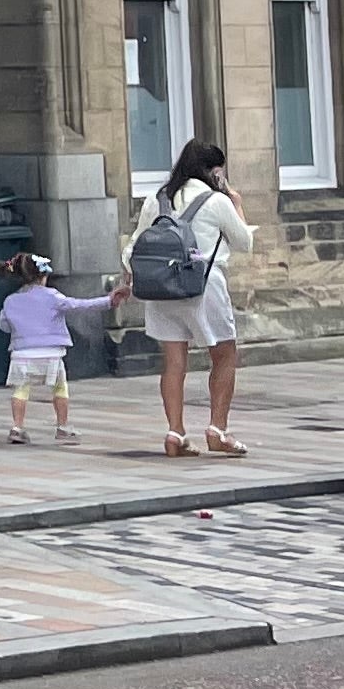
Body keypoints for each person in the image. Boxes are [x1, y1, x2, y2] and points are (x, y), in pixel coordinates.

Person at [113, 137, 255, 459]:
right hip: (203, 286)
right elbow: (244, 242)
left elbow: (133, 248)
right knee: (224, 356)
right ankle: (217, 430)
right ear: (214, 171)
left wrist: (128, 281)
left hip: (161, 288)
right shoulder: (216, 202)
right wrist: (236, 201)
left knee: (174, 362)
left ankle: (175, 432)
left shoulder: (157, 199)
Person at [0, 251, 78, 447]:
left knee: (21, 390)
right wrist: (109, 300)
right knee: (60, 387)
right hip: (52, 354)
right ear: (43, 277)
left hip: (21, 354)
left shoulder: (11, 300)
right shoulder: (53, 296)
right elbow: (79, 305)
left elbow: (3, 325)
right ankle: (62, 427)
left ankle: (17, 427)